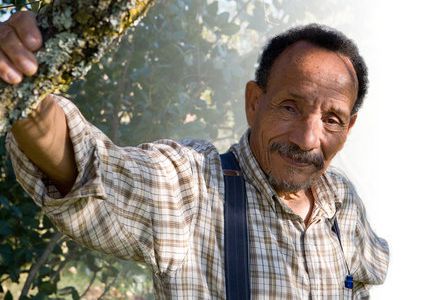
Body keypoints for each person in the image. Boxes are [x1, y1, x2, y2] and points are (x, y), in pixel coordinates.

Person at [1, 11, 389, 299]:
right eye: (290, 107)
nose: (307, 138)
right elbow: (93, 168)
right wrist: (22, 82)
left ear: (349, 129)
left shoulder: (343, 203)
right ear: (254, 102)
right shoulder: (193, 185)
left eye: (332, 119)